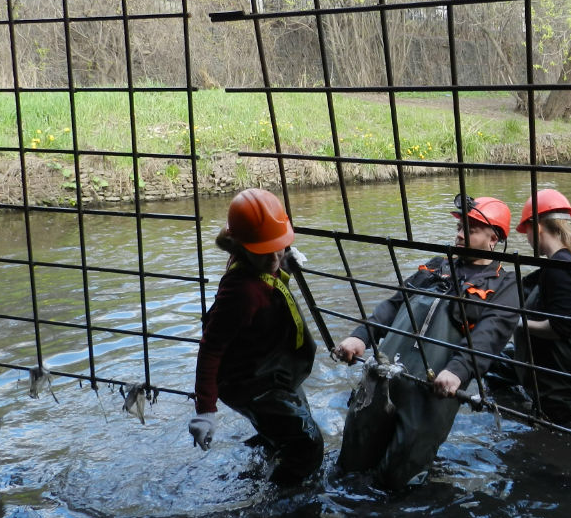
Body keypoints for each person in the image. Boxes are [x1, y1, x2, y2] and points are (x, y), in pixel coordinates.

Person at [332, 194, 520, 491]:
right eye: (460, 226)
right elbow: (394, 305)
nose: (459, 234)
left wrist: (458, 371)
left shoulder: (504, 285)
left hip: (433, 391)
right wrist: (360, 336)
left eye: (470, 228)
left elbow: (490, 335)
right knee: (351, 460)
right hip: (383, 377)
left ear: (493, 238)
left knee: (399, 476)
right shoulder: (436, 265)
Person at [188, 188, 324, 486]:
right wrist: (206, 411)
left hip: (270, 367)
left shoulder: (259, 258)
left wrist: (284, 259)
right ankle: (280, 503)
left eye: (280, 246)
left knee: (293, 424)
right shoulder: (240, 292)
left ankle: (265, 456)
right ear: (242, 246)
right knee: (308, 443)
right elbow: (210, 349)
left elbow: (272, 262)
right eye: (265, 251)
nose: (274, 257)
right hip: (248, 380)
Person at [495, 189, 571, 432]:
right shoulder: (564, 261)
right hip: (556, 367)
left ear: (537, 227)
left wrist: (515, 323)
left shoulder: (559, 268)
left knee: (563, 429)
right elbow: (526, 286)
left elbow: (561, 327)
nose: (526, 238)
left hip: (555, 375)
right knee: (493, 364)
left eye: (526, 231)